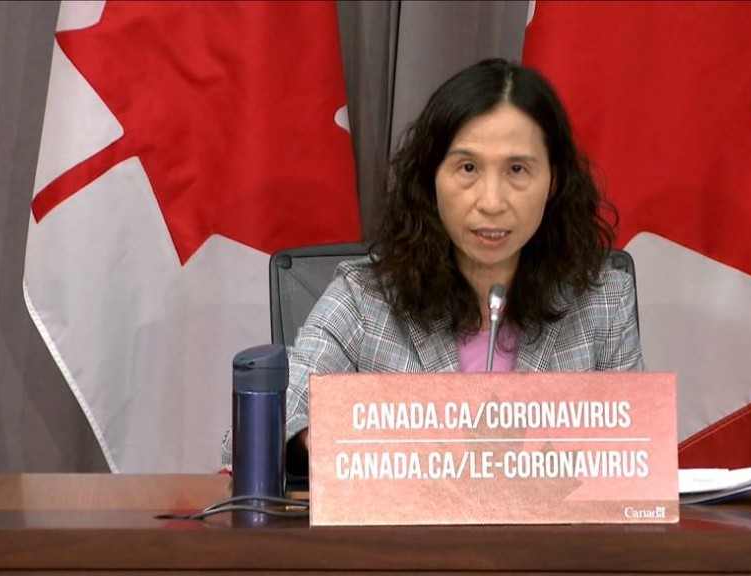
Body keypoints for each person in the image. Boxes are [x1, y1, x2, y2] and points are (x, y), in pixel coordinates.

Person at [223, 57, 643, 474]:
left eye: (517, 169)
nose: (491, 202)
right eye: (468, 168)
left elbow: (635, 455)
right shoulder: (364, 301)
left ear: (553, 180)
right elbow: (251, 438)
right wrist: (323, 439)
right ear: (431, 178)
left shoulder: (602, 302)